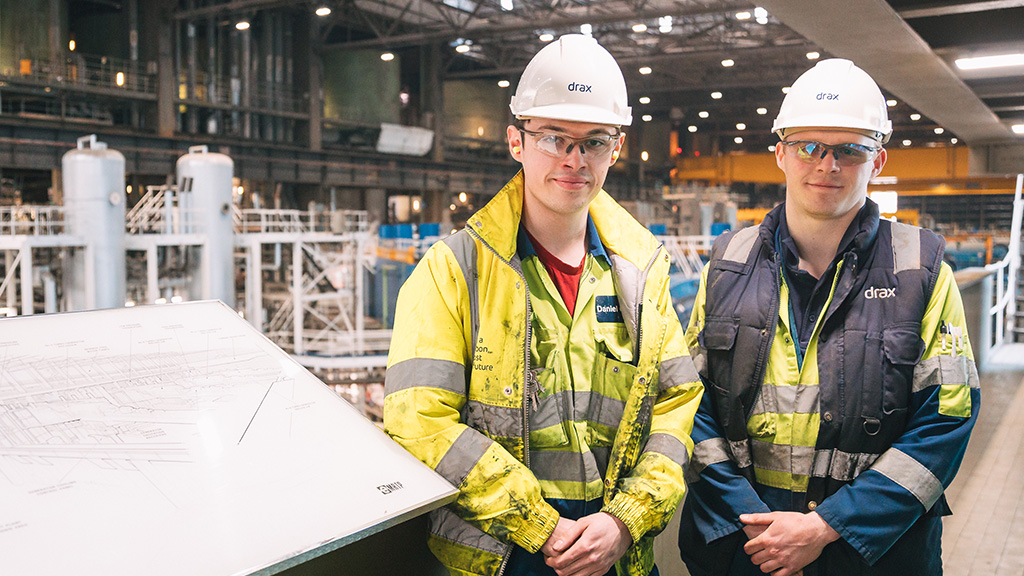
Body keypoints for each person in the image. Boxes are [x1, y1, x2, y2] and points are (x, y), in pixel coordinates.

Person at [383, 34, 703, 576]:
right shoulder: (454, 269)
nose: (575, 160)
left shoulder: (642, 272)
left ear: (616, 148)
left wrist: (627, 519)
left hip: (616, 555)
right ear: (516, 141)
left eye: (594, 141)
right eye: (555, 138)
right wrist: (536, 523)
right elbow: (419, 419)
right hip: (502, 556)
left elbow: (677, 407)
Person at [677, 58, 980, 576]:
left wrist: (828, 526)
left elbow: (946, 420)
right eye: (808, 146)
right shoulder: (726, 265)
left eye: (849, 150)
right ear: (780, 153)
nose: (827, 165)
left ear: (877, 160)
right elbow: (687, 402)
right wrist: (757, 526)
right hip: (744, 546)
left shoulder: (920, 270)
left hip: (872, 553)